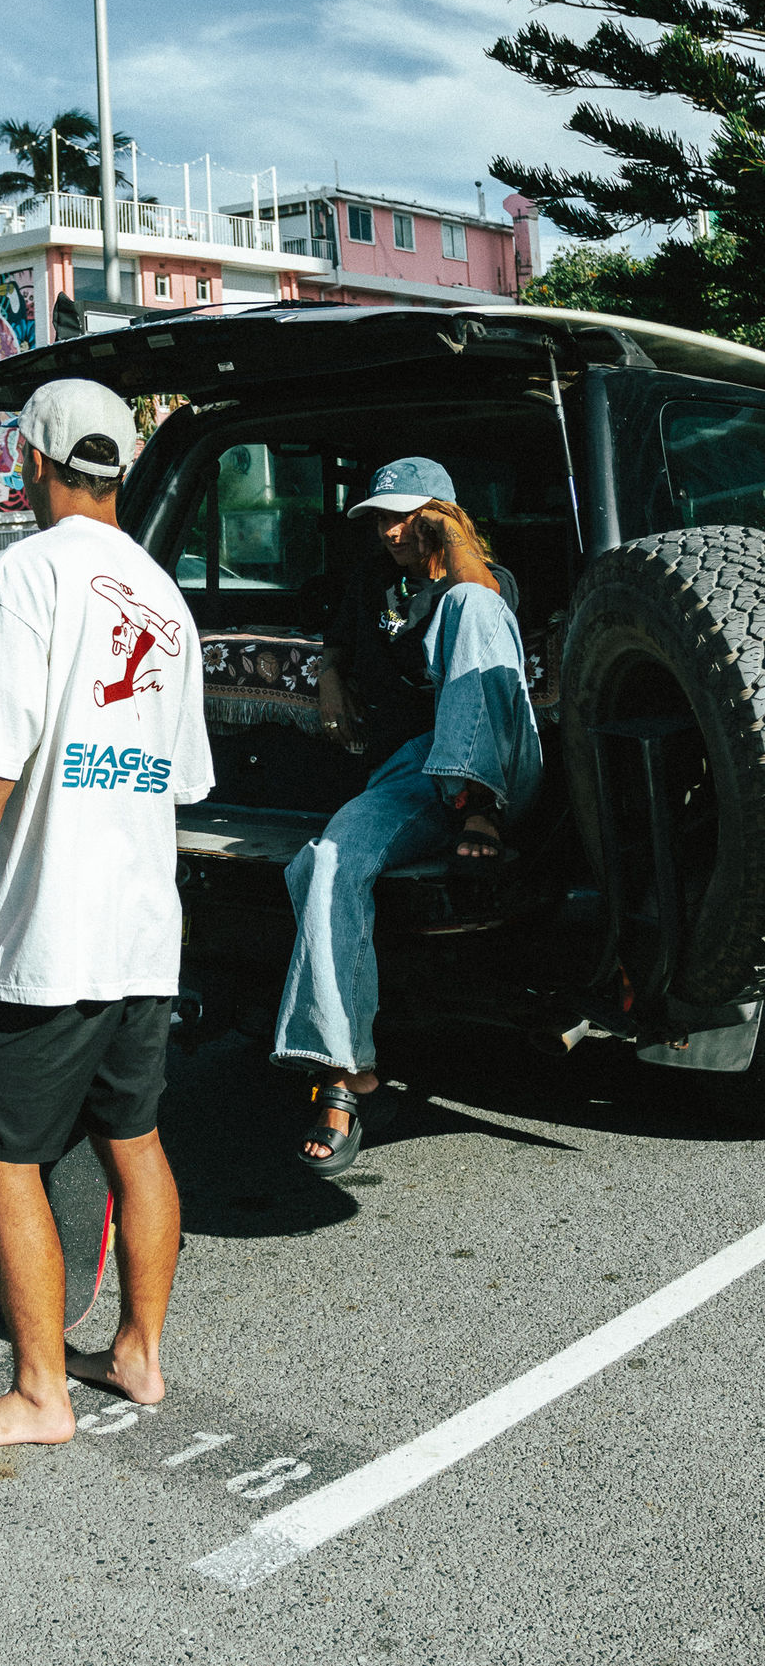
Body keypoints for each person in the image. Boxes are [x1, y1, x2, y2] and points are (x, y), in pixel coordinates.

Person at [0, 378, 212, 1450]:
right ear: (117, 467)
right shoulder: (163, 596)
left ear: (32, 461)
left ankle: (41, 1393)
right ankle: (140, 1353)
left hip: (47, 933)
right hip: (140, 928)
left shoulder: (28, 572)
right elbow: (178, 777)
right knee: (134, 1133)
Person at [274, 456, 542, 1176]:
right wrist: (331, 672)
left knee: (467, 611)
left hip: (500, 760)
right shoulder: (375, 583)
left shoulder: (485, 585)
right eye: (380, 518)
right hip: (412, 774)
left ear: (441, 515)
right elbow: (340, 632)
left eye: (406, 515)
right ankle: (345, 1073)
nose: (390, 530)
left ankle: (477, 807)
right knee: (327, 860)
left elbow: (488, 648)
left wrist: (454, 548)